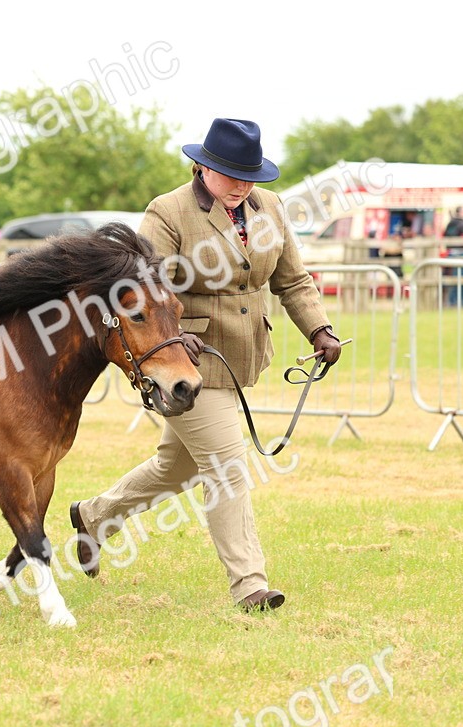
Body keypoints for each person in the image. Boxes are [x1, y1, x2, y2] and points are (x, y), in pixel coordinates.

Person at [69, 118, 342, 613]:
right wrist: (172, 334)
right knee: (227, 467)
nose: (241, 186)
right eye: (230, 174)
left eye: (249, 176)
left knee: (175, 468)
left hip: (241, 357)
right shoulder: (168, 212)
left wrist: (319, 329)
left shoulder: (271, 208)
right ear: (202, 167)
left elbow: (293, 280)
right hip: (182, 363)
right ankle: (250, 585)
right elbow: (144, 283)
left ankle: (94, 516)